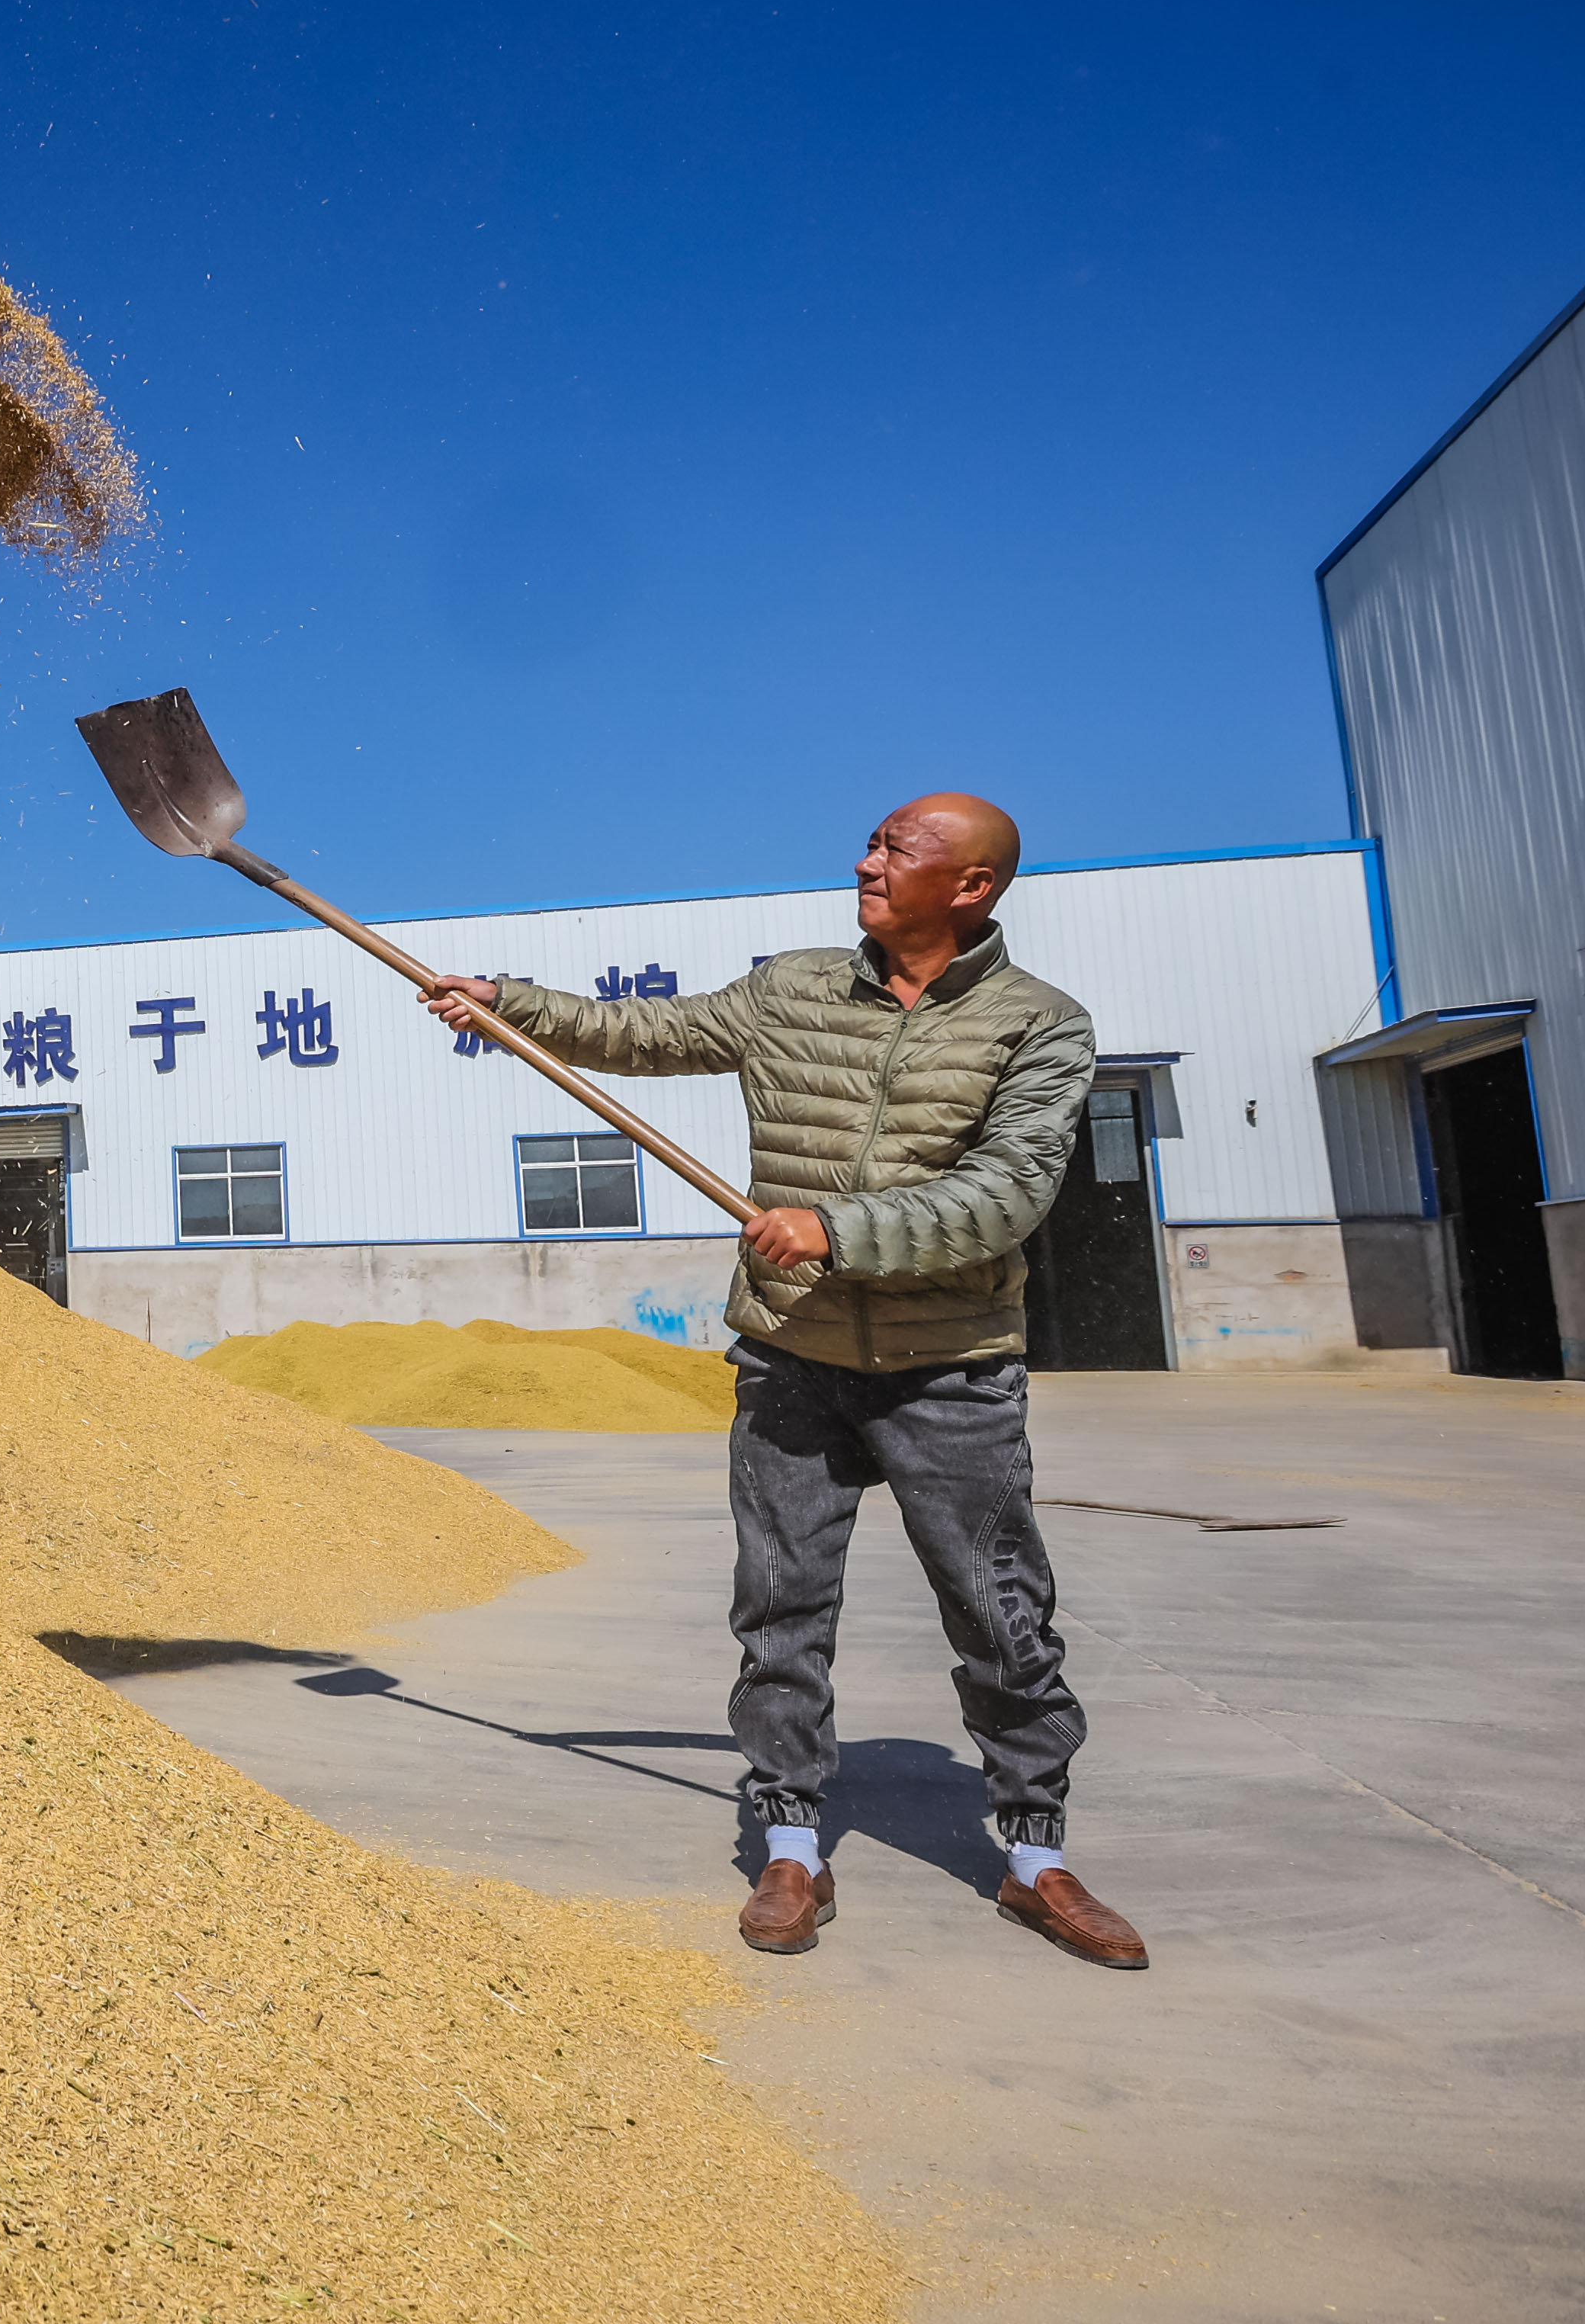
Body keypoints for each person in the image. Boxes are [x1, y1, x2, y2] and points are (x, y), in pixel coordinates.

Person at [423, 795, 1147, 1969]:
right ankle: (792, 1844)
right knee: (779, 1611)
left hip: (949, 1371)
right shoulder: (793, 989)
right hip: (792, 1358)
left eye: (898, 849)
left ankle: (1033, 1858)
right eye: (873, 840)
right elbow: (650, 1035)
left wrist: (838, 1228)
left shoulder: (1040, 1026)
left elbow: (1012, 1194)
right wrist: (510, 1005)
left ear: (971, 887)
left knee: (1001, 1615)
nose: (866, 860)